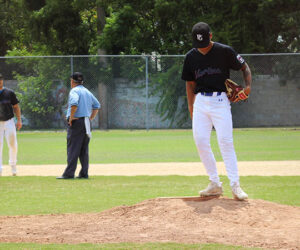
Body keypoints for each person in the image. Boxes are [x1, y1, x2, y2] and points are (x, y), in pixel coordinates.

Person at [181, 22, 252, 200]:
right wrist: (191, 108)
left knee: (225, 142)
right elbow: (190, 84)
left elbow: (245, 67)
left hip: (221, 101)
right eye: (199, 44)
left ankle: (235, 185)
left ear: (210, 36)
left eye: (204, 42)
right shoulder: (190, 57)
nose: (202, 47)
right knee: (201, 141)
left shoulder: (224, 51)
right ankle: (214, 183)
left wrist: (248, 86)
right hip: (200, 102)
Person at [57, 72, 100, 179]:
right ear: (82, 81)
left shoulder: (74, 91)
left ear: (72, 81)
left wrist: (71, 118)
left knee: (73, 148)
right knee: (83, 150)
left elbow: (74, 104)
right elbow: (97, 105)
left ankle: (69, 173)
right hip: (86, 122)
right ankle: (84, 173)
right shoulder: (87, 91)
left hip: (77, 123)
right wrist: (90, 118)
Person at [0, 73, 22, 176]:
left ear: (2, 80)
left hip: (9, 121)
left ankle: (13, 165)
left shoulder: (9, 93)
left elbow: (16, 107)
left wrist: (19, 120)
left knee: (13, 144)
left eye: (0, 79)